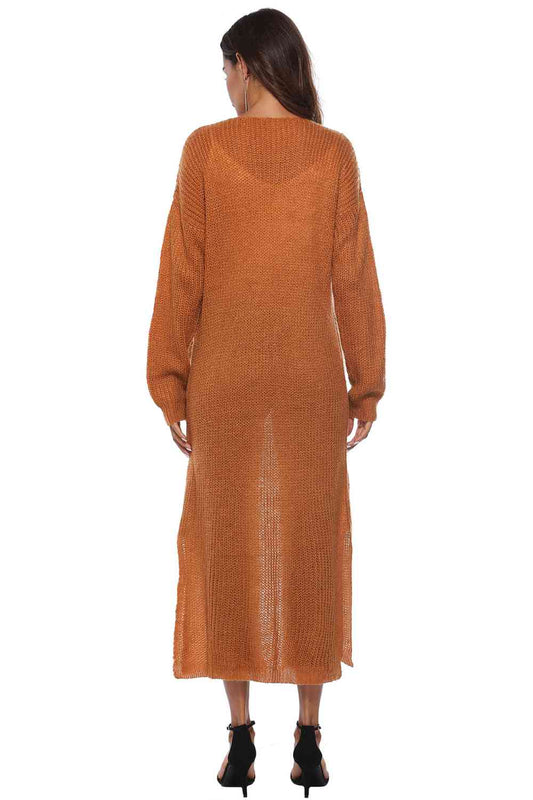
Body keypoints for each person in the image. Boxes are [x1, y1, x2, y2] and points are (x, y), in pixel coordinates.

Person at [146, 8, 386, 796]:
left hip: (224, 383)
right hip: (312, 383)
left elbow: (181, 273)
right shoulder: (333, 154)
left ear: (247, 65)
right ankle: (309, 738)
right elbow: (353, 277)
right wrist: (365, 383)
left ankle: (240, 736)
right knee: (310, 547)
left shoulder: (205, 150)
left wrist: (169, 380)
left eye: (225, 67)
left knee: (228, 548)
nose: (224, 82)